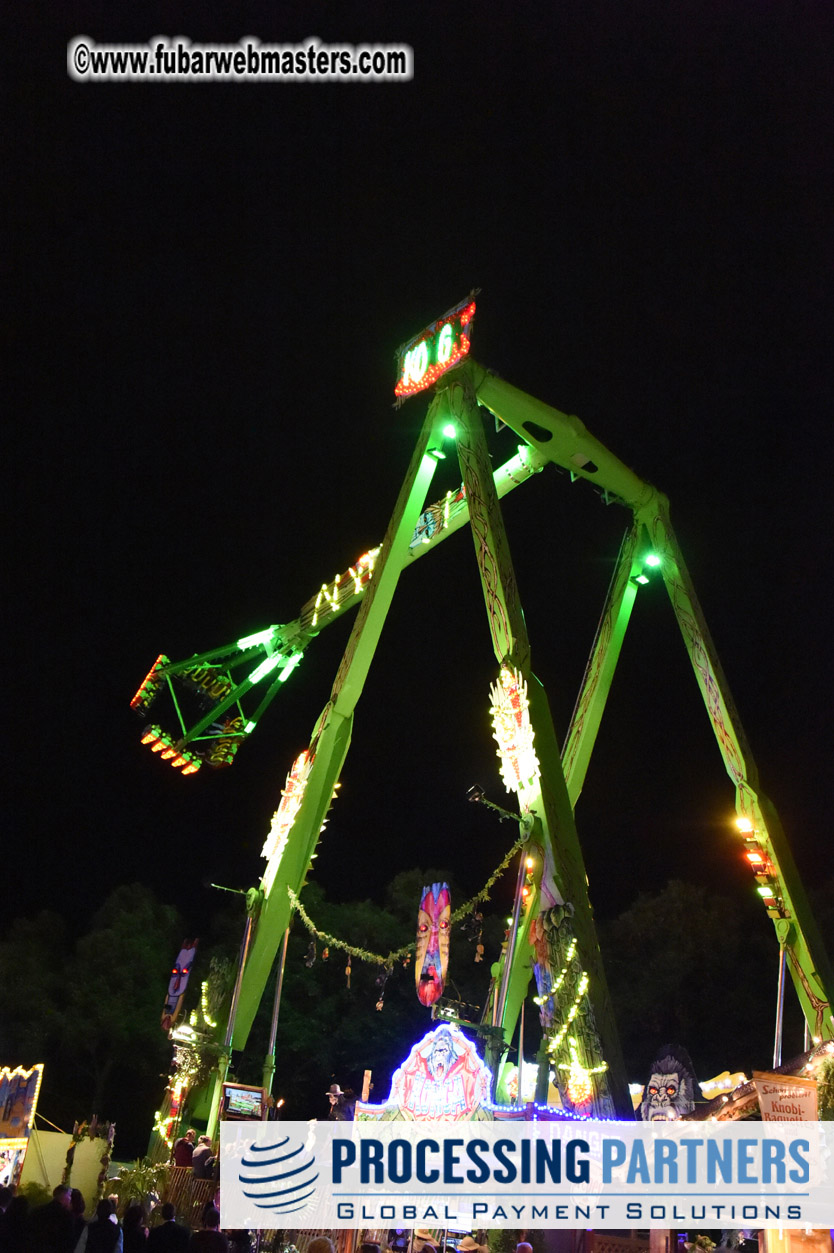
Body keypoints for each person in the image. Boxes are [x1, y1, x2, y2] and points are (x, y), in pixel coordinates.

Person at [25, 1182, 76, 1252]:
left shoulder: (37, 1211)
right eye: (69, 1196)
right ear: (64, 1196)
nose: (70, 1199)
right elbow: (68, 1242)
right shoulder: (67, 1216)